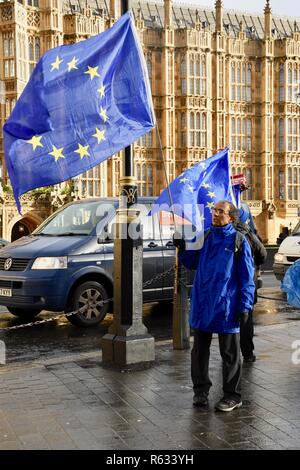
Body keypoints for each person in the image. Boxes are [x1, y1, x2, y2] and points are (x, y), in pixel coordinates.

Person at [174, 200, 255, 412]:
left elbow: (247, 278)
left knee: (229, 354)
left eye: (221, 211)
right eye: (214, 210)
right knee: (199, 351)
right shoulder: (206, 236)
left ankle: (232, 395)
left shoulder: (239, 241)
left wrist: (245, 306)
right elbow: (191, 261)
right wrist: (182, 246)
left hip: (226, 304)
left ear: (231, 217)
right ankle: (200, 391)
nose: (215, 213)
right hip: (203, 302)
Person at [234, 209, 267, 363]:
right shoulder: (248, 235)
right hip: (247, 283)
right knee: (246, 319)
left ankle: (230, 353)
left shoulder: (226, 233)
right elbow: (263, 254)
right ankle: (247, 353)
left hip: (229, 285)